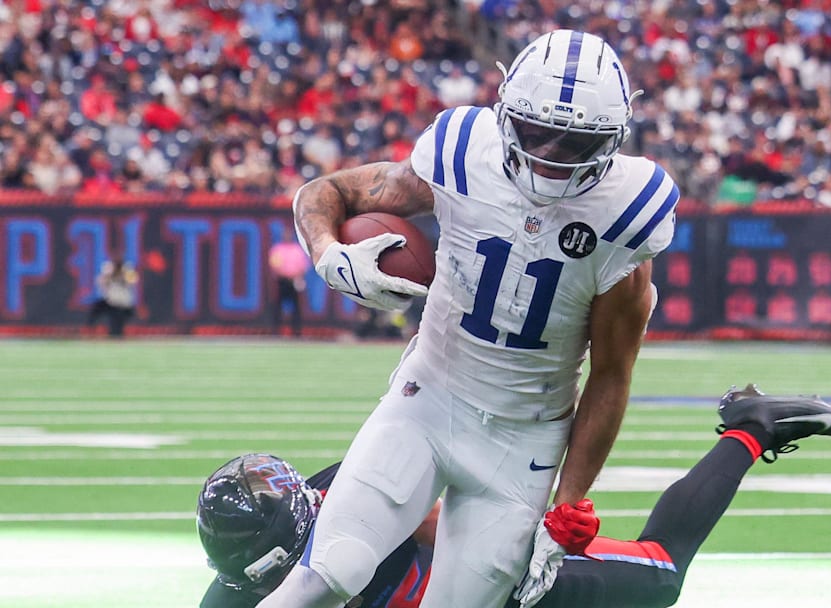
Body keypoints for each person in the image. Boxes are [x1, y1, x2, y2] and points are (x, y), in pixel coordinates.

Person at [261, 30, 678, 608]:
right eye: (536, 132)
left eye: (574, 142)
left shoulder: (628, 212)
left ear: (612, 140)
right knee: (327, 572)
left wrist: (569, 502)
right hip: (427, 398)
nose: (549, 156)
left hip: (525, 435)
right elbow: (325, 190)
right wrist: (329, 255)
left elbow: (611, 372)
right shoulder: (462, 152)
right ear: (506, 114)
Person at [197, 385, 831, 608]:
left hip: (492, 586)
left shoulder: (348, 494)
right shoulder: (237, 600)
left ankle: (750, 429)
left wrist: (533, 536)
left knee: (660, 573)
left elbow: (438, 520)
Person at [86, 251, 139, 337]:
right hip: (111, 302)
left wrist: (123, 273)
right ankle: (88, 329)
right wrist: (108, 275)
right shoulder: (109, 270)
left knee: (117, 328)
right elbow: (100, 282)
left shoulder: (126, 269)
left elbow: (133, 281)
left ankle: (117, 336)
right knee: (97, 308)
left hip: (123, 305)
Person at [267, 238, 309, 338]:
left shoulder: (297, 250)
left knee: (296, 307)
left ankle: (296, 332)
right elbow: (274, 264)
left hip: (295, 281)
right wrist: (284, 275)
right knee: (278, 306)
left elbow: (303, 266)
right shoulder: (278, 249)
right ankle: (276, 331)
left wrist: (296, 276)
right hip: (282, 281)